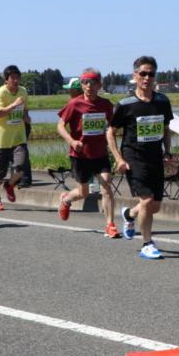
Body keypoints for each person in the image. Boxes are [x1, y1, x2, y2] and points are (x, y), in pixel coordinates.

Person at [108, 56, 173, 260]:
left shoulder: (162, 101)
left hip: (155, 157)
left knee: (155, 206)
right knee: (146, 200)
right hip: (133, 157)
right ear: (135, 75)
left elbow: (166, 128)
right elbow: (110, 132)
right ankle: (147, 243)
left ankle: (129, 215)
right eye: (143, 73)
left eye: (151, 74)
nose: (147, 77)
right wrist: (119, 158)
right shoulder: (125, 104)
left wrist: (167, 151)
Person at [56, 69, 119, 236]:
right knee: (84, 192)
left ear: (99, 85)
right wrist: (72, 141)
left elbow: (112, 128)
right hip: (80, 155)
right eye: (85, 82)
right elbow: (60, 126)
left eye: (93, 82)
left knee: (106, 184)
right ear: (82, 85)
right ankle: (66, 199)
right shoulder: (74, 104)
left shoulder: (106, 105)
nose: (89, 86)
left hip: (100, 153)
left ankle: (110, 225)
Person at [0, 65, 29, 211]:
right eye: (12, 78)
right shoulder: (0, 93)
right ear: (6, 80)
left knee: (21, 166)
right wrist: (13, 105)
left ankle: (9, 185)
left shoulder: (23, 91)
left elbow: (24, 108)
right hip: (2, 138)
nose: (16, 80)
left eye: (18, 77)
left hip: (19, 136)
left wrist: (26, 116)